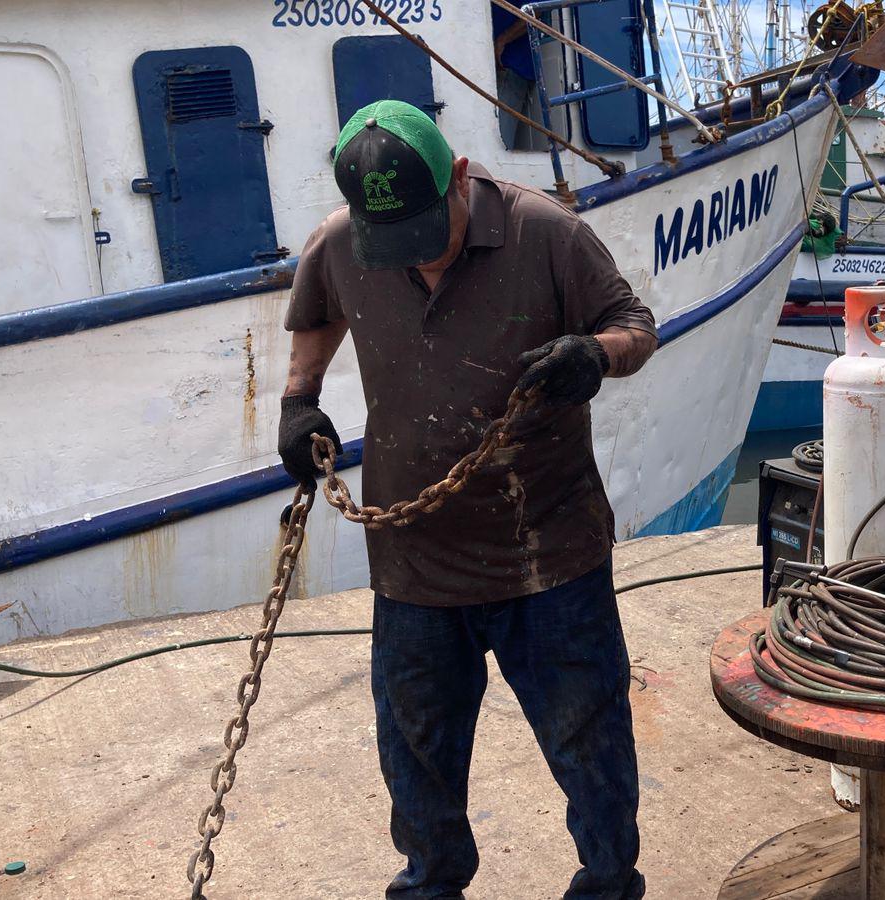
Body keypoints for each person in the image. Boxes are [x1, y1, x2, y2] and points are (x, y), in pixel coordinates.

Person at [276, 99, 657, 900]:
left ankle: (609, 883)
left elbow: (635, 323)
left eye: (426, 229)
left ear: (458, 176)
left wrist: (595, 353)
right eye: (397, 245)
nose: (419, 259)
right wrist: (299, 399)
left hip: (549, 554)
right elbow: (316, 313)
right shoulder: (345, 244)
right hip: (416, 568)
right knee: (415, 760)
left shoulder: (544, 231)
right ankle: (431, 885)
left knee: (592, 749)